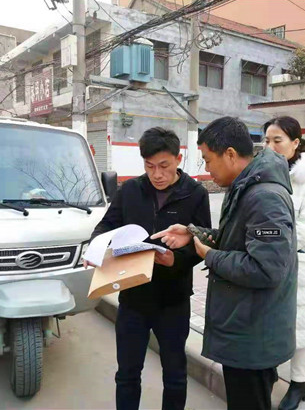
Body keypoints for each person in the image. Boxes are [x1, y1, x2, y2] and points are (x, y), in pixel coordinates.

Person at [152, 117, 298, 410]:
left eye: (208, 160)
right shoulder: (246, 186)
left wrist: (210, 255)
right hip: (247, 327)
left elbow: (266, 269)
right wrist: (194, 232)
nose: (206, 168)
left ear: (230, 154)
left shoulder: (265, 197)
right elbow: (238, 239)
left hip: (254, 337)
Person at [85, 127, 211, 410]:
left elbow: (201, 243)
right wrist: (96, 246)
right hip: (133, 297)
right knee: (127, 374)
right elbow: (107, 225)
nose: (157, 174)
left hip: (173, 301)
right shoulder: (131, 190)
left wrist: (176, 260)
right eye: (149, 166)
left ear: (178, 159)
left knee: (175, 375)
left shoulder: (195, 194)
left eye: (164, 166)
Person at [263, 116, 305, 410]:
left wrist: (273, 247)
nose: (270, 146)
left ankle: (299, 383)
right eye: (267, 140)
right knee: (269, 319)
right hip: (269, 259)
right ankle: (267, 371)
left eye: (277, 140)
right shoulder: (267, 173)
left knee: (302, 325)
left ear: (295, 142)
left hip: (299, 259)